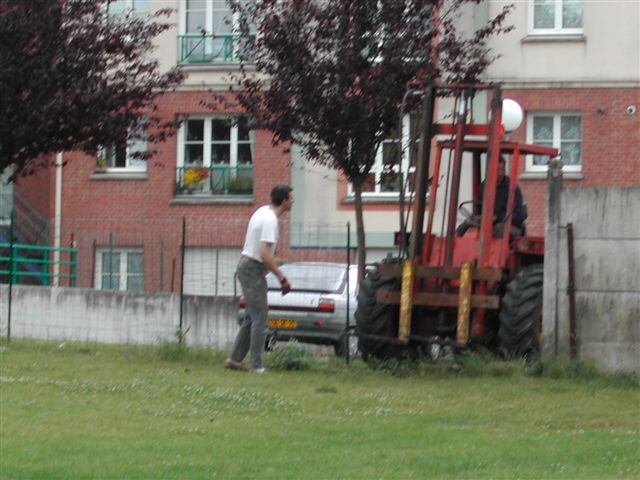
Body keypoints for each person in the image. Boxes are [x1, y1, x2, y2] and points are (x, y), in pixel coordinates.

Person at [224, 184, 294, 374]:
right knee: (260, 318)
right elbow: (264, 254)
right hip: (253, 269)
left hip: (246, 265)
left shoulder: (262, 211)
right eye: (291, 198)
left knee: (251, 317)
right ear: (284, 201)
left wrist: (278, 261)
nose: (293, 201)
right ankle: (257, 365)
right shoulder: (271, 220)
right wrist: (282, 278)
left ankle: (234, 359)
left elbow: (264, 252)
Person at [456, 156, 527, 237]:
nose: (500, 173)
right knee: (463, 227)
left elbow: (520, 214)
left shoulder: (513, 188)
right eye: (497, 170)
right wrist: (478, 218)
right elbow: (479, 209)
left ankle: (494, 249)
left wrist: (498, 217)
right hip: (488, 223)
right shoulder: (484, 186)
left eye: (502, 169)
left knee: (498, 229)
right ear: (490, 170)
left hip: (510, 226)